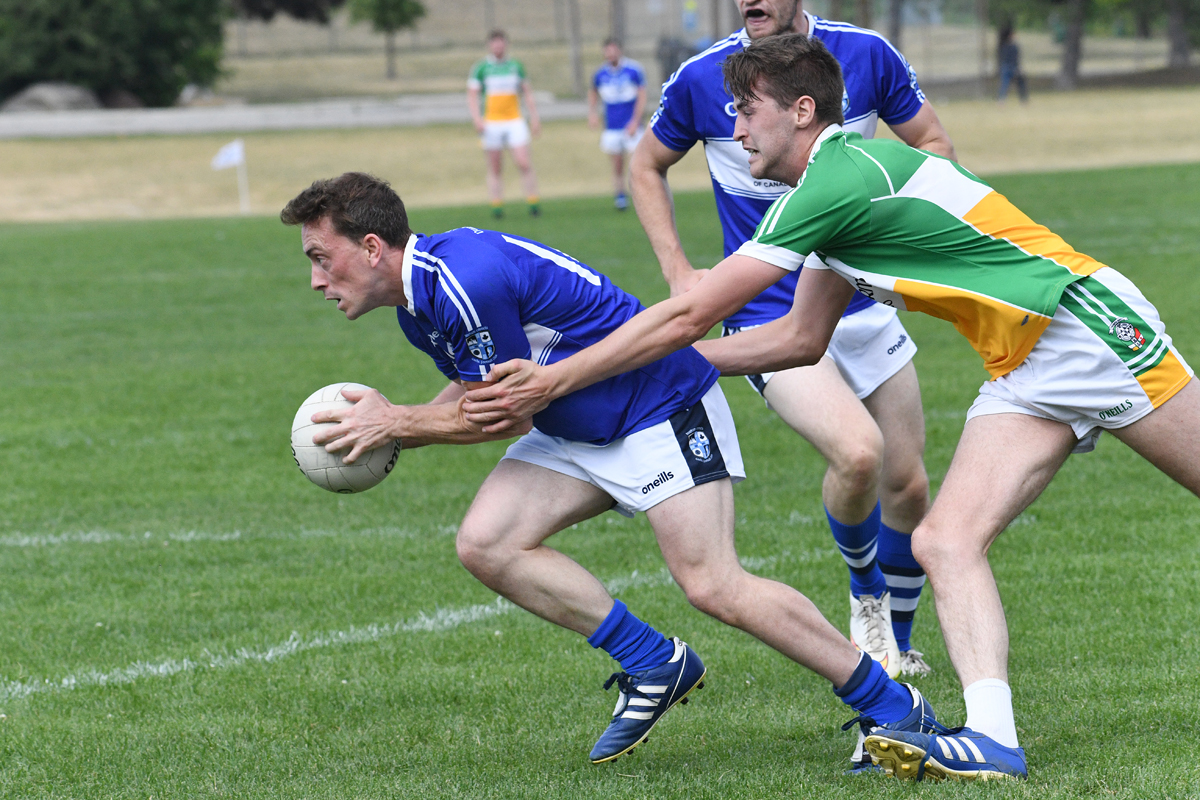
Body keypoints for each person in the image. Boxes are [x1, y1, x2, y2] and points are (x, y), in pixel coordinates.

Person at [460, 34, 1199, 781]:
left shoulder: (836, 181)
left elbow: (691, 318)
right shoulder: (824, 195)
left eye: (747, 111)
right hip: (1025, 363)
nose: (736, 129)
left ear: (802, 110)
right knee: (944, 540)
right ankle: (994, 741)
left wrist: (563, 378)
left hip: (1086, 329)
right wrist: (636, 378)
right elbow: (797, 338)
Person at [280, 170, 941, 767]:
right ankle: (654, 663)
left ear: (371, 247)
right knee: (487, 543)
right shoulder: (422, 303)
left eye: (321, 258)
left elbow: (501, 416)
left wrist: (395, 423)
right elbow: (477, 392)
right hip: (575, 424)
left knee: (713, 584)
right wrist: (391, 430)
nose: (315, 279)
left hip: (658, 405)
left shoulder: (462, 280)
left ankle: (894, 706)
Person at [631, 0, 959, 684]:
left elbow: (934, 145)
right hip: (769, 310)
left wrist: (892, 230)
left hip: (861, 299)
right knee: (858, 452)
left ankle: (896, 641)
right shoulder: (704, 77)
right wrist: (679, 273)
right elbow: (646, 165)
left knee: (908, 480)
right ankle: (865, 597)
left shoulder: (865, 54)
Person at [467, 30, 541, 218]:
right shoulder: (482, 68)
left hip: (514, 120)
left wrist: (534, 118)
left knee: (523, 162)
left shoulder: (516, 66)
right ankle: (497, 206)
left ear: (506, 44)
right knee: (495, 166)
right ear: (490, 46)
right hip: (491, 123)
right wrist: (477, 119)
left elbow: (527, 93)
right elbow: (473, 96)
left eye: (501, 43)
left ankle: (533, 202)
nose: (498, 47)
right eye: (495, 43)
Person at [588, 38, 647, 211]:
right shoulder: (600, 74)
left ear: (619, 51)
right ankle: (620, 196)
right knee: (617, 164)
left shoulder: (633, 70)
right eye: (607, 50)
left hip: (631, 125)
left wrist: (636, 121)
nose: (610, 54)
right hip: (612, 127)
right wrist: (592, 113)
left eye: (613, 50)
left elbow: (642, 96)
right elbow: (593, 93)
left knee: (637, 164)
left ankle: (641, 197)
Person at [997, 24, 1028, 104]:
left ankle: (1001, 100)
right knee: (1018, 83)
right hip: (1012, 67)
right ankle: (1023, 100)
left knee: (1005, 85)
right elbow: (1015, 59)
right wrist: (1017, 68)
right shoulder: (1013, 47)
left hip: (1006, 67)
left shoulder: (1002, 46)